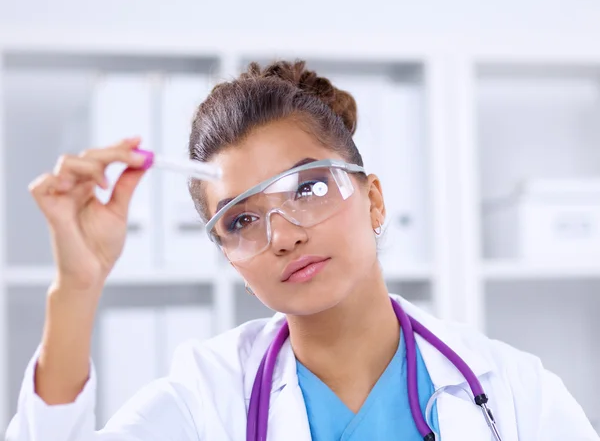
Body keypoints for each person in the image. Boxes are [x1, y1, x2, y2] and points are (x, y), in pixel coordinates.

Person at [4, 60, 598, 441]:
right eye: (241, 221)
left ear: (374, 202)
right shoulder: (206, 400)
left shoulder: (518, 393)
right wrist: (77, 286)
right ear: (228, 257)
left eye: (309, 187)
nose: (283, 235)